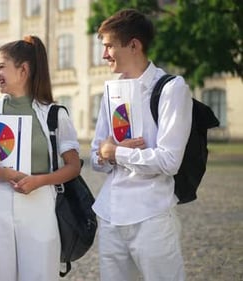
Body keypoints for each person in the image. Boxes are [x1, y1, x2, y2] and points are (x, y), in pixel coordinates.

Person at [0, 35, 81, 281]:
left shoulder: (54, 114)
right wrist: (7, 174)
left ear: (23, 70)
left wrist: (39, 181)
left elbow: (73, 166)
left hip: (40, 206)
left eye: (0, 66)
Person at [91, 9, 192, 281]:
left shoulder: (172, 89)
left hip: (152, 216)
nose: (104, 55)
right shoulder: (111, 91)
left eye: (109, 46)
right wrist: (105, 154)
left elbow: (169, 161)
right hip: (112, 215)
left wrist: (116, 152)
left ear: (134, 45)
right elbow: (94, 156)